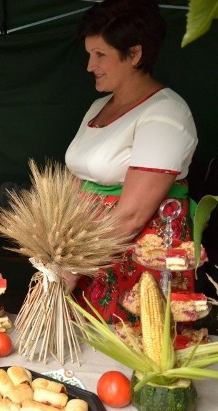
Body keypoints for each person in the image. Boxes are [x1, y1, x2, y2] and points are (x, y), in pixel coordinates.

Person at [64, 0, 198, 323]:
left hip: (134, 259)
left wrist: (72, 262)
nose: (89, 66)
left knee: (126, 348)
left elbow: (132, 215)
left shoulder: (166, 112)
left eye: (100, 55)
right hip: (85, 253)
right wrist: (57, 247)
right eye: (89, 54)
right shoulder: (96, 108)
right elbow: (73, 179)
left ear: (135, 54)